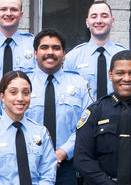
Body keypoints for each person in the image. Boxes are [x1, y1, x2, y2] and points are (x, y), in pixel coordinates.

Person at [74, 50, 131, 185]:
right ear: (111, 75)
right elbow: (82, 159)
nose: (126, 78)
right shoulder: (95, 111)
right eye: (120, 73)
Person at [25, 28, 92, 185]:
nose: (50, 52)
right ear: (35, 53)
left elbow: (87, 125)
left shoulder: (80, 84)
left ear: (63, 53)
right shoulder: (22, 84)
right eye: (44, 48)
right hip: (29, 164)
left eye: (56, 48)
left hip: (69, 166)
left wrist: (62, 152)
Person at [0, 70, 57, 184]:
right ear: (2, 97)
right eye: (13, 92)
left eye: (26, 92)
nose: (20, 98)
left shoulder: (41, 132)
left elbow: (48, 174)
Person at [64, 1, 126, 100]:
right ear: (87, 22)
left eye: (104, 16)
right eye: (94, 16)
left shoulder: (124, 55)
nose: (99, 20)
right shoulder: (72, 57)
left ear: (112, 21)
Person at [0, 0, 35, 79]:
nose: (8, 13)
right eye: (3, 9)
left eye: (14, 9)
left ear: (21, 15)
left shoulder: (33, 44)